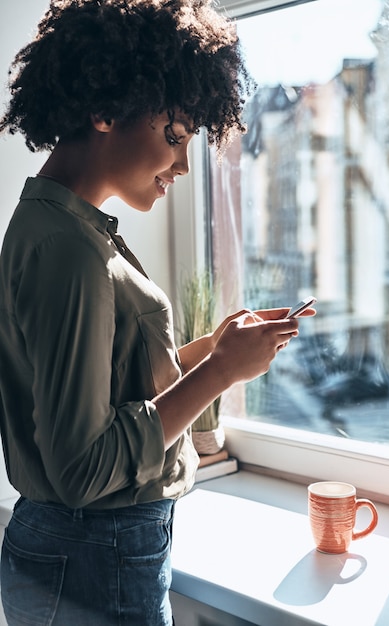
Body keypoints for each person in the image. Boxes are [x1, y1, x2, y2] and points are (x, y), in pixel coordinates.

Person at [0, 0, 315, 624]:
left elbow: (106, 383)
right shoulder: (69, 248)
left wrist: (209, 352)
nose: (183, 165)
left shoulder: (63, 226)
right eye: (174, 137)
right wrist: (220, 375)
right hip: (96, 552)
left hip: (89, 553)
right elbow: (83, 470)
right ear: (104, 111)